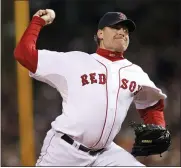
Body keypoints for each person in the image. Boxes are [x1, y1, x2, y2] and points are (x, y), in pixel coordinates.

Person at [14, 9, 167, 166]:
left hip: (106, 153)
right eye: (115, 27)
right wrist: (37, 22)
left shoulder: (135, 72)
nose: (122, 31)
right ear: (100, 34)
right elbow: (24, 54)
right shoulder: (75, 61)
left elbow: (152, 105)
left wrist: (157, 130)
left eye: (126, 30)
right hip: (65, 150)